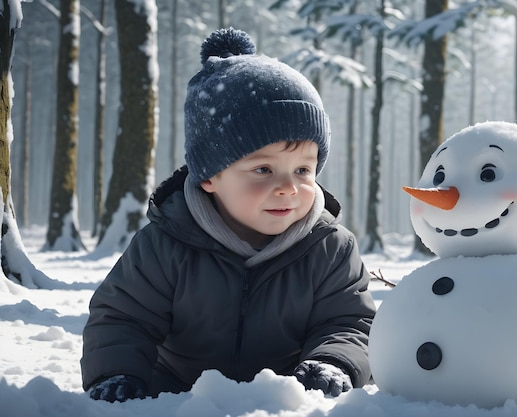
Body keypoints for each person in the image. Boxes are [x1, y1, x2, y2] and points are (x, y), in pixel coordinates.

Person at [81, 27, 376, 403]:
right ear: (209, 176)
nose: (288, 187)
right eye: (263, 170)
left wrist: (332, 362)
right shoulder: (166, 242)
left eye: (303, 170)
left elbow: (349, 322)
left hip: (286, 399)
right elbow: (124, 318)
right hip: (178, 397)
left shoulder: (329, 248)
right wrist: (119, 373)